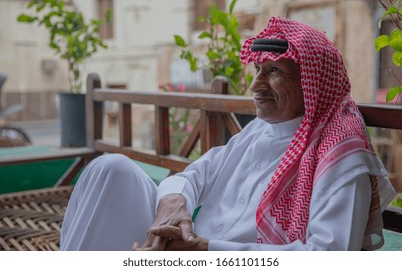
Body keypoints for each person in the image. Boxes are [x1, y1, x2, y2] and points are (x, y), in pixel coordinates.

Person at [60, 17, 395, 251]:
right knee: (110, 167)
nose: (255, 85)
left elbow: (327, 255)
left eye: (274, 71)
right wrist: (174, 206)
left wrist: (204, 251)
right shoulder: (259, 132)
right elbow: (194, 175)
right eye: (258, 69)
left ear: (313, 82)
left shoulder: (340, 154)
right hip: (188, 251)